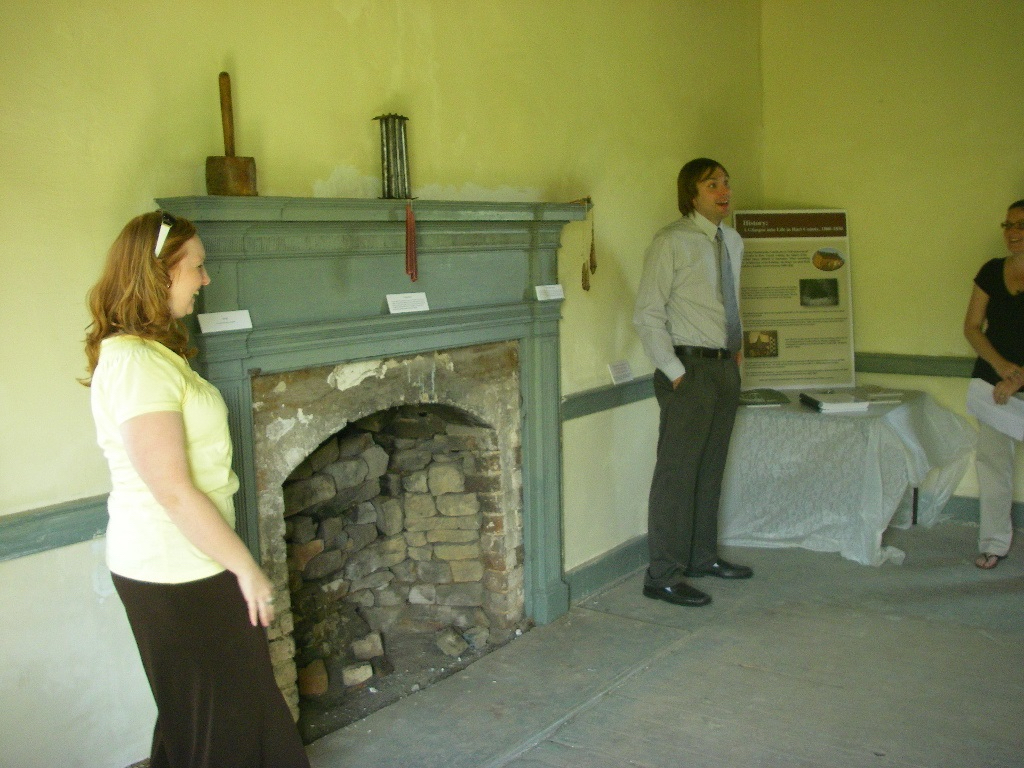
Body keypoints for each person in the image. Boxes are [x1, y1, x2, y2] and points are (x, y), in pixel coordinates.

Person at [83, 211, 310, 767]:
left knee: (205, 715)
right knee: (226, 717)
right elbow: (174, 492)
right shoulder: (135, 363)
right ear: (158, 274)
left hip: (184, 560)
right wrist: (247, 569)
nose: (205, 280)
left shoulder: (149, 354)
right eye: (197, 268)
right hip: (174, 568)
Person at [633, 158, 753, 607]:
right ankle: (662, 574)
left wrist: (735, 353)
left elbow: (728, 302)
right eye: (712, 184)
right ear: (692, 194)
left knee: (710, 469)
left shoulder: (732, 241)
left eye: (726, 182)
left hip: (724, 367)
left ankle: (702, 558)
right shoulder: (672, 242)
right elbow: (647, 314)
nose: (723, 190)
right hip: (689, 370)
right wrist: (676, 372)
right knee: (677, 476)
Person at [963, 199, 1024, 570]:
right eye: (1008, 224)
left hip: (1010, 384)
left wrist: (1019, 378)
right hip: (993, 385)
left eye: (1021, 225)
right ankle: (993, 543)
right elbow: (971, 328)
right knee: (992, 464)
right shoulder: (990, 271)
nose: (1012, 232)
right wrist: (1002, 368)